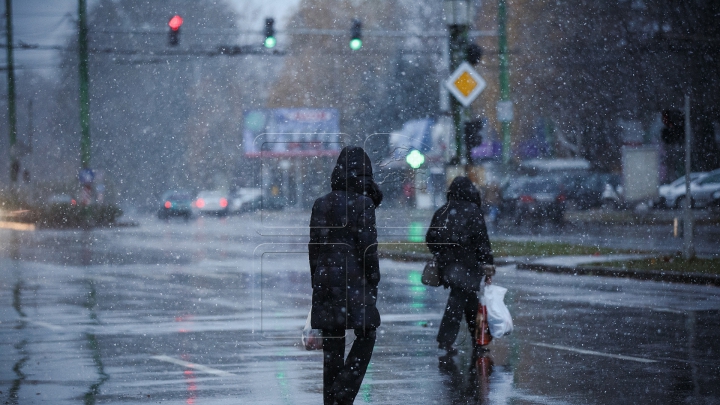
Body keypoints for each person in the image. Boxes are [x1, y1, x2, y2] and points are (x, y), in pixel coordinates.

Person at [309, 146, 383, 405]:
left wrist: (316, 282)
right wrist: (373, 277)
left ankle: (332, 400)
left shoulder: (321, 204)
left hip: (326, 282)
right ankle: (343, 392)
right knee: (367, 334)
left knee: (332, 348)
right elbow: (368, 248)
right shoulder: (363, 204)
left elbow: (314, 249)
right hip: (355, 282)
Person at [426, 176, 495, 356]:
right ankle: (450, 340)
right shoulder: (473, 211)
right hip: (468, 265)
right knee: (458, 302)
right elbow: (482, 242)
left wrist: (443, 253)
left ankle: (476, 341)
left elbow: (430, 239)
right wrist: (487, 264)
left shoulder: (442, 211)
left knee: (468, 301)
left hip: (448, 265)